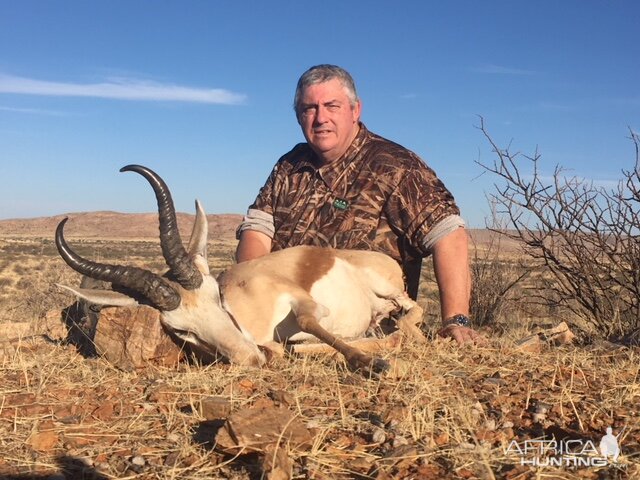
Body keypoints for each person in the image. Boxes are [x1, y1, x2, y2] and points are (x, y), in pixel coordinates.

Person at [236, 64, 482, 345]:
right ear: (298, 116)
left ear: (355, 110)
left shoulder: (396, 166)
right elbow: (256, 229)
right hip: (283, 324)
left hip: (365, 335)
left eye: (332, 106)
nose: (320, 118)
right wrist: (253, 291)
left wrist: (456, 320)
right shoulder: (289, 165)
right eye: (309, 108)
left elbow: (449, 234)